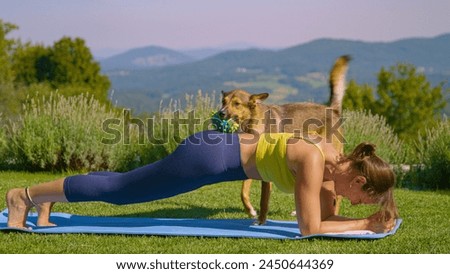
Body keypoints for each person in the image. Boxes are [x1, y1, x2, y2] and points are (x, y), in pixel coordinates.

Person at [6, 130, 398, 235]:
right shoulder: (315, 160)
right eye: (363, 198)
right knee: (123, 193)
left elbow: (327, 217)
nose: (357, 205)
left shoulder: (335, 164)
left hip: (222, 157)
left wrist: (373, 215)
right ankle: (23, 196)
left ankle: (48, 198)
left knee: (127, 182)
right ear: (359, 179)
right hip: (211, 156)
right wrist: (364, 224)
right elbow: (311, 228)